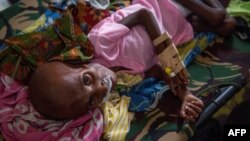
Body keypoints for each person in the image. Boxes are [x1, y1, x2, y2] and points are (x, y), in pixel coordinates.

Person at [28, 0, 204, 122]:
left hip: (163, 5)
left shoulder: (100, 42)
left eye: (87, 80)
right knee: (223, 24)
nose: (102, 88)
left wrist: (165, 54)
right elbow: (159, 71)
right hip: (181, 27)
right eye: (92, 100)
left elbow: (143, 14)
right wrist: (184, 94)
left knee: (219, 18)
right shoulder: (123, 80)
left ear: (78, 65)